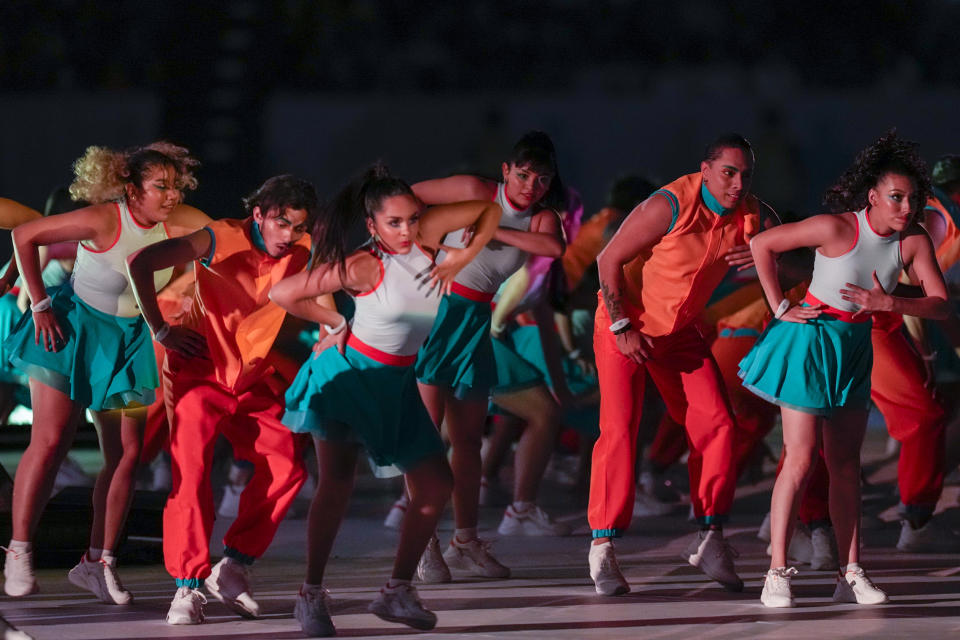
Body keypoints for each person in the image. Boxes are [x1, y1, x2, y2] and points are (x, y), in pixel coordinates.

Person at [271, 164, 500, 635]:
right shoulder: (363, 264)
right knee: (336, 485)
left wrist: (465, 255)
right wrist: (333, 324)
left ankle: (396, 592)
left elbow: (488, 209)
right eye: (393, 223)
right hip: (350, 376)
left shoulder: (429, 239)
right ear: (372, 225)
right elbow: (284, 292)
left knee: (435, 486)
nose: (406, 230)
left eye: (412, 219)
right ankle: (310, 595)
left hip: (398, 382)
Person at [742, 131, 949, 608]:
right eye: (896, 197)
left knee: (846, 466)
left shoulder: (913, 240)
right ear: (873, 197)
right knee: (799, 458)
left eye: (913, 198)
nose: (905, 207)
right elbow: (762, 244)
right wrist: (778, 307)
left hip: (856, 345)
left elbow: (939, 304)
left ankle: (850, 571)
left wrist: (888, 302)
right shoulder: (835, 228)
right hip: (812, 338)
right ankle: (776, 572)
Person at [1, 142, 207, 603]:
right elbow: (25, 236)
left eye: (177, 186)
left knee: (128, 456)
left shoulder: (180, 222)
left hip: (129, 339)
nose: (172, 195)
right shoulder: (105, 219)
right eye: (161, 186)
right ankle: (18, 550)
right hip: (72, 334)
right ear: (132, 190)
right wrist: (39, 304)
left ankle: (98, 562)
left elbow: (227, 236)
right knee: (51, 441)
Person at [127, 174, 319, 625]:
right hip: (199, 370)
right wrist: (160, 328)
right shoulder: (219, 237)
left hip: (250, 376)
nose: (288, 235)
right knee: (191, 473)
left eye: (297, 226)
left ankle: (232, 566)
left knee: (288, 464)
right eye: (281, 224)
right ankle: (187, 587)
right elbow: (140, 261)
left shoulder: (305, 247)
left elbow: (321, 296)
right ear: (258, 215)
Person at [589, 133, 775, 596]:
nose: (737, 183)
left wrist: (763, 250)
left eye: (745, 174)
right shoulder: (670, 203)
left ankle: (710, 537)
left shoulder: (753, 213)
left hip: (679, 333)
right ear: (706, 169)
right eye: (728, 172)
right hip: (622, 324)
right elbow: (607, 258)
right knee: (620, 429)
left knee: (719, 424)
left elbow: (787, 247)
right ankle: (603, 546)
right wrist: (621, 326)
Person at [411, 131, 566, 580]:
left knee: (467, 441)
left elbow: (554, 249)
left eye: (541, 180)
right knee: (426, 439)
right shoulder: (475, 191)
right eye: (522, 175)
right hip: (436, 310)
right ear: (506, 171)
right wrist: (422, 244)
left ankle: (464, 541)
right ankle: (423, 542)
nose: (530, 187)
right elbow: (405, 199)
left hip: (477, 320)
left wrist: (488, 230)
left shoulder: (541, 219)